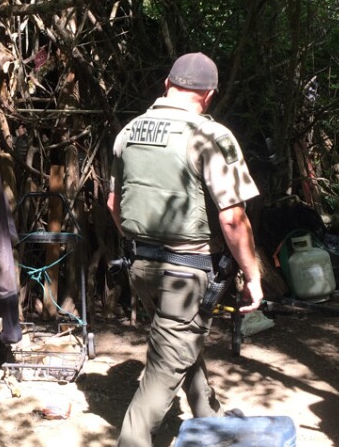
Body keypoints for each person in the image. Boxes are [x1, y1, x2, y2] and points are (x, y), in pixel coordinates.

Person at [108, 52, 264, 447]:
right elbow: (232, 218)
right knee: (163, 370)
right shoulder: (210, 135)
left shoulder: (129, 131)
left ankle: (209, 419)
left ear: (167, 83)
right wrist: (254, 274)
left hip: (141, 265)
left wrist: (139, 246)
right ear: (209, 95)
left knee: (178, 342)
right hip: (186, 270)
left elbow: (113, 205)